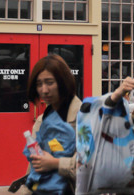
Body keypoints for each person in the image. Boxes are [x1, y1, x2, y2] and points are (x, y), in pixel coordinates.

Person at [17, 54, 80, 195]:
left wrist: (55, 164)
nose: (44, 90)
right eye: (39, 84)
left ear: (63, 82)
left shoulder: (84, 117)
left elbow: (91, 167)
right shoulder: (41, 121)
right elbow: (34, 168)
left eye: (49, 82)